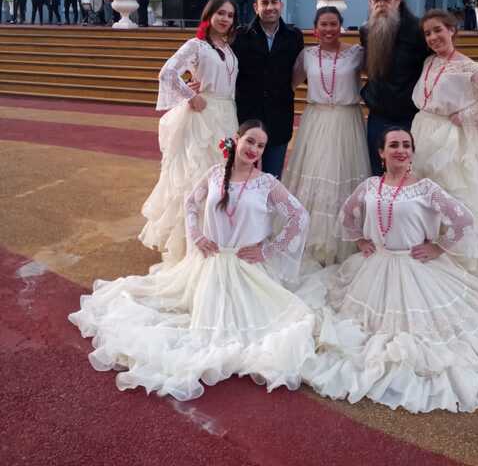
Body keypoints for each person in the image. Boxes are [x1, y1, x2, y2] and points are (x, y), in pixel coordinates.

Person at [301, 127, 478, 413]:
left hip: (416, 266)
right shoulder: (369, 186)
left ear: (412, 152)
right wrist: (361, 239)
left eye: (406, 145)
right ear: (381, 152)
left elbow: (462, 221)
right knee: (365, 327)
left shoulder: (426, 188)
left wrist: (438, 247)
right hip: (376, 267)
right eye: (394, 145)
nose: (401, 150)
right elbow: (347, 213)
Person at [69, 121, 315, 402]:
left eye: (260, 145)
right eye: (250, 141)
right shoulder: (213, 174)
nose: (254, 149)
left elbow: (299, 217)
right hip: (209, 264)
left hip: (247, 267)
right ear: (236, 139)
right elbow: (190, 203)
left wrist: (269, 250)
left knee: (270, 325)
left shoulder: (266, 183)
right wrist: (196, 235)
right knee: (195, 320)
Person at [411, 8, 478, 281]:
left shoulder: (468, 66)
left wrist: (467, 115)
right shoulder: (429, 62)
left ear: (452, 30)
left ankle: (460, 264)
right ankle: (425, 256)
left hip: (448, 141)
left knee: (453, 196)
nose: (433, 37)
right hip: (421, 132)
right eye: (428, 33)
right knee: (423, 195)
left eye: (438, 30)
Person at [139, 0, 239, 264]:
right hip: (202, 116)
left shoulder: (228, 48)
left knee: (225, 177)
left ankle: (219, 237)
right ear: (209, 15)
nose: (225, 19)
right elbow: (168, 72)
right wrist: (190, 95)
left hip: (227, 116)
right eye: (220, 13)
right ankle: (192, 247)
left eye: (230, 15)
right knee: (198, 178)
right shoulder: (196, 45)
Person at [282, 6, 370, 265]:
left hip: (347, 119)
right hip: (316, 119)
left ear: (341, 26)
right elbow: (288, 84)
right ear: (315, 29)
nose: (329, 29)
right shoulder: (306, 55)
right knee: (317, 172)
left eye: (333, 24)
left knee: (342, 172)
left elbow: (379, 73)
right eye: (324, 25)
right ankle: (311, 237)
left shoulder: (357, 54)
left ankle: (346, 237)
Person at [233, 0, 304, 178]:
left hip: (279, 119)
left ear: (280, 4)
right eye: (265, 3)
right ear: (256, 7)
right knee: (243, 177)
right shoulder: (240, 36)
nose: (270, 7)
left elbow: (299, 70)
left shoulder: (294, 36)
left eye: (274, 2)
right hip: (248, 117)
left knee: (272, 179)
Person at [360, 0, 429, 175]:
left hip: (407, 114)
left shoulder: (418, 30)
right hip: (378, 112)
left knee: (407, 169)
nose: (381, 3)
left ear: (397, 0)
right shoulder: (366, 30)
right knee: (376, 168)